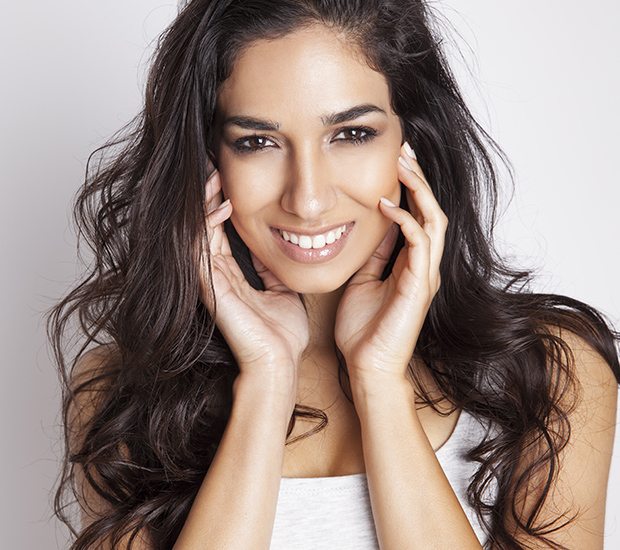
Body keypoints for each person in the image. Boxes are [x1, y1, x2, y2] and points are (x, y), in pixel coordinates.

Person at [49, 1, 620, 549]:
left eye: (350, 134)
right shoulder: (122, 395)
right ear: (207, 161)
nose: (308, 199)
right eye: (257, 142)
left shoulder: (550, 374)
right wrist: (266, 380)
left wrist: (380, 383)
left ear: (414, 140)